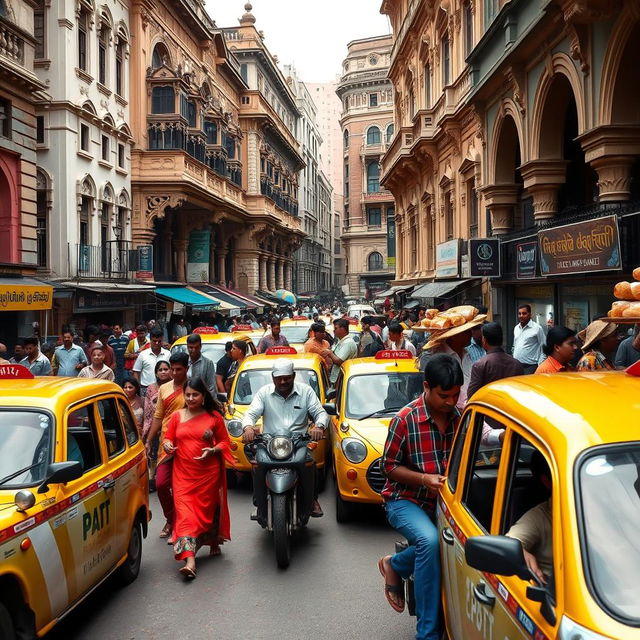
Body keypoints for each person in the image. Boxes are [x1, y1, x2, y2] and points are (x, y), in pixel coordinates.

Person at [378, 354, 462, 639]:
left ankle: (396, 564)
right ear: (426, 386)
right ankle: (427, 634)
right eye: (444, 395)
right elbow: (387, 467)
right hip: (405, 500)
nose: (451, 401)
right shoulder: (405, 419)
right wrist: (424, 479)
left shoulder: (460, 419)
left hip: (443, 503)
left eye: (455, 394)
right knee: (429, 541)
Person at [162, 376, 234, 578]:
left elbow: (225, 443)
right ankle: (190, 562)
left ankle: (211, 540)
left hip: (207, 475)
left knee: (204, 513)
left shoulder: (214, 417)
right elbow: (168, 439)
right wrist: (167, 445)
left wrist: (212, 450)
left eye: (195, 394)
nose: (191, 398)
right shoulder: (177, 416)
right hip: (182, 475)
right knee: (185, 516)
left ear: (204, 396)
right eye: (188, 395)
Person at [241, 358, 328, 522]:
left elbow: (320, 413)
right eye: (279, 378)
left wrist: (319, 426)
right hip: (269, 442)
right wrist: (247, 428)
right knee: (257, 464)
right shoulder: (264, 393)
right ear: (272, 377)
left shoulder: (306, 391)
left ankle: (311, 500)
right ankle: (259, 502)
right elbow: (251, 414)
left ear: (293, 376)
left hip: (298, 442)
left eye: (287, 377)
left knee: (309, 464)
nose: (283, 381)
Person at [144, 352, 189, 540]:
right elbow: (158, 416)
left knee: (183, 488)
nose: (175, 373)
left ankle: (184, 525)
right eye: (173, 369)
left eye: (179, 369)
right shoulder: (164, 389)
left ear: (187, 369)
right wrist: (148, 440)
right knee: (161, 484)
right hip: (167, 443)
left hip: (188, 443)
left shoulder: (192, 388)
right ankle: (171, 518)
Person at [506, 451, 553, 585]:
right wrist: (520, 552)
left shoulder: (607, 506)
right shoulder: (539, 516)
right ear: (547, 481)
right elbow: (511, 542)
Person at [467, 322, 524, 400]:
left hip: (489, 409)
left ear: (484, 340)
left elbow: (472, 396)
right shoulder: (517, 364)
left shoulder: (480, 365)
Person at [143, 359, 173, 490]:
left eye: (166, 369)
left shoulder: (175, 386)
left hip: (171, 424)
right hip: (155, 425)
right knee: (154, 453)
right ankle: (152, 479)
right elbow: (148, 409)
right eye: (160, 370)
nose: (163, 372)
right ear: (156, 373)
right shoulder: (151, 388)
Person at [132, 328, 170, 395]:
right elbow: (136, 371)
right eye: (154, 341)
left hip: (164, 388)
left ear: (162, 340)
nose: (157, 343)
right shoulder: (143, 354)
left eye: (159, 341)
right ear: (150, 340)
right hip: (145, 389)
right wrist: (138, 388)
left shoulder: (168, 354)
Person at [323, 318, 358, 386]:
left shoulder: (348, 343)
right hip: (336, 377)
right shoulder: (340, 341)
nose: (334, 331)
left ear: (342, 329)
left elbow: (339, 361)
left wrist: (329, 353)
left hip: (341, 379)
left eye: (336, 328)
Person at [513, 304, 546, 374]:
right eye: (519, 314)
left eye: (524, 313)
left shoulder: (537, 328)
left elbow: (544, 347)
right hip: (517, 365)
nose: (521, 316)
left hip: (531, 367)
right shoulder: (516, 328)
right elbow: (514, 345)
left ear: (530, 315)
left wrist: (540, 364)